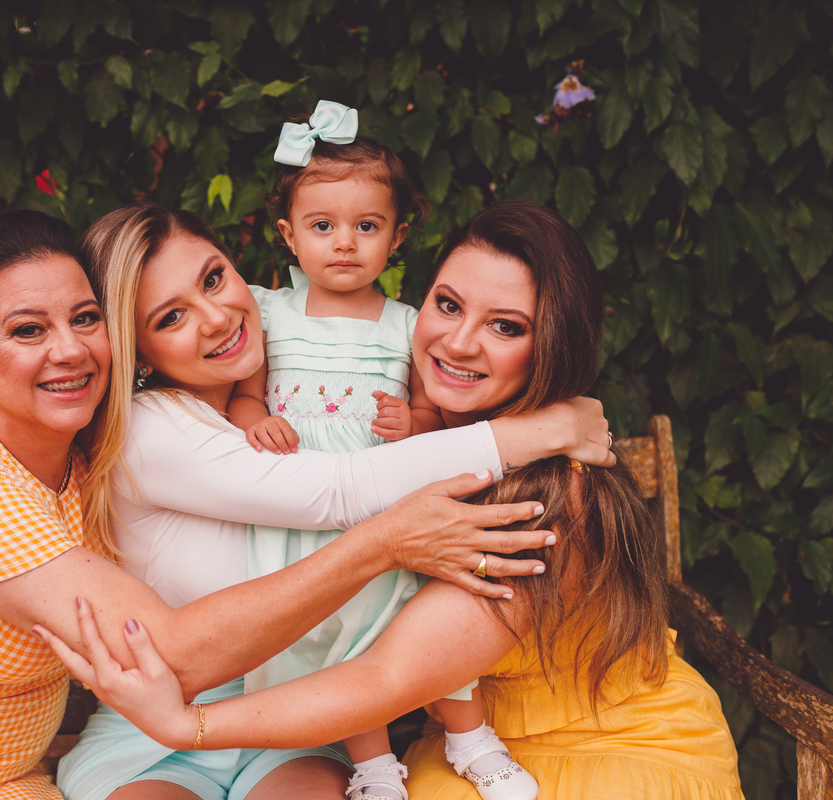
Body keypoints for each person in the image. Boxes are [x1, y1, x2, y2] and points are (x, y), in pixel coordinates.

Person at [0, 209, 597, 800]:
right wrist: (418, 519)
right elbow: (173, 650)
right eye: (27, 331)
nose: (69, 351)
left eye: (82, 320)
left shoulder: (87, 455)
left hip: (1, 782)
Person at [39, 203, 745, 800]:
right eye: (447, 305)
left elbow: (388, 673)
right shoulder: (162, 428)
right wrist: (536, 427)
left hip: (549, 749)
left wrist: (187, 724)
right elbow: (339, 495)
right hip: (387, 740)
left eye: (507, 326)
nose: (218, 316)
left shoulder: (545, 489)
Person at [225, 101, 522, 800]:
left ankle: (470, 736)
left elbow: (431, 416)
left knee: (408, 620)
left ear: (397, 236)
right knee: (332, 637)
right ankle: (374, 765)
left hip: (385, 510)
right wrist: (252, 420)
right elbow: (244, 394)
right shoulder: (269, 313)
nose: (344, 244)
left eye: (367, 226)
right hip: (298, 514)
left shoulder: (409, 324)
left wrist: (410, 423)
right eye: (322, 226)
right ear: (288, 236)